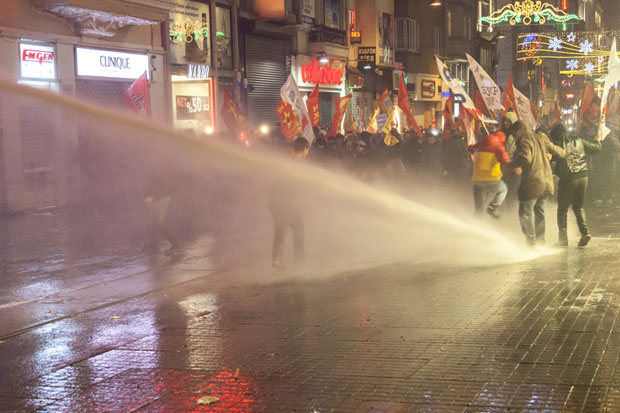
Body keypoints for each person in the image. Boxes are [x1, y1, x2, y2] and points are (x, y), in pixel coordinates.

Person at [510, 121, 566, 246]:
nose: (513, 137)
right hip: (546, 181)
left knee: (525, 211)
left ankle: (531, 241)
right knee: (539, 209)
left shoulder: (524, 141)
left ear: (518, 132)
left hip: (533, 182)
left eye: (514, 133)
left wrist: (512, 164)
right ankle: (540, 240)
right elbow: (561, 152)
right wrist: (550, 155)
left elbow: (526, 158)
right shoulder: (542, 138)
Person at [550, 123, 601, 247]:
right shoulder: (579, 141)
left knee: (562, 209)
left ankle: (563, 240)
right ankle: (585, 232)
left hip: (569, 177)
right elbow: (596, 148)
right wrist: (598, 140)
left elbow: (555, 160)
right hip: (583, 176)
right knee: (578, 207)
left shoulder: (557, 145)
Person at [268, 137, 310, 268]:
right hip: (284, 201)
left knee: (282, 229)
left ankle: (277, 259)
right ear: (305, 149)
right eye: (307, 150)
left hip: (275, 201)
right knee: (297, 228)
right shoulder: (296, 163)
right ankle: (299, 258)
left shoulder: (286, 159)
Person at [468, 128, 511, 217]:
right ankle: (493, 207)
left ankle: (475, 225)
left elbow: (470, 148)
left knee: (479, 208)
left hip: (477, 179)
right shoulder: (499, 146)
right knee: (503, 190)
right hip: (492, 178)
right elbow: (506, 160)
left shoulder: (479, 145)